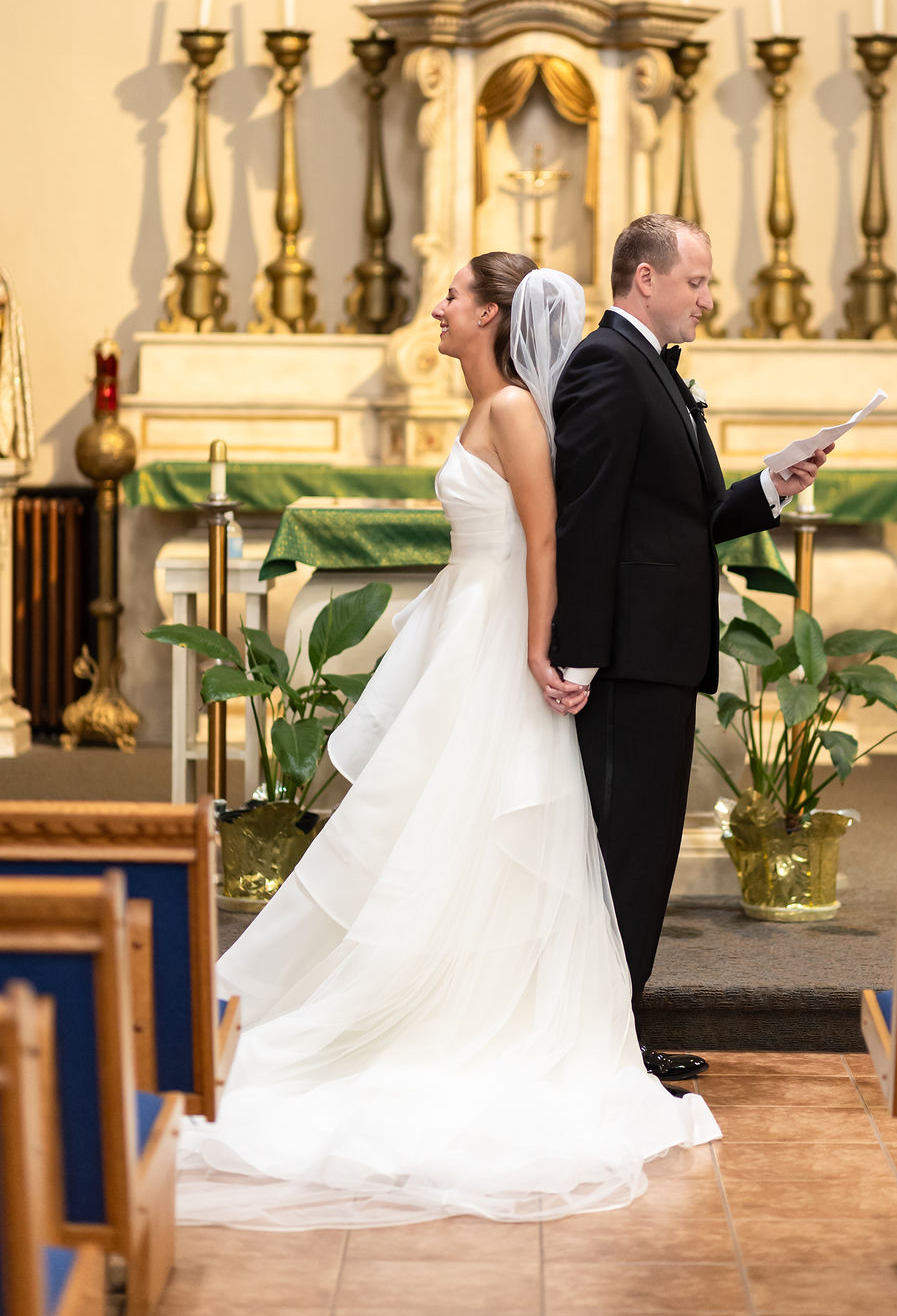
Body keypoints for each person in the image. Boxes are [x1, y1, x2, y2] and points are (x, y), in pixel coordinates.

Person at [175, 252, 719, 1231]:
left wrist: (541, 645)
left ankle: (470, 1016)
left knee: (474, 830)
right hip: (463, 633)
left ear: (492, 315)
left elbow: (546, 538)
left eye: (454, 297)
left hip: (497, 644)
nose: (438, 308)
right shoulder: (487, 407)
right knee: (421, 830)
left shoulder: (513, 409)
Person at [551, 215, 829, 1082]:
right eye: (697, 283)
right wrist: (581, 655)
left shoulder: (655, 371)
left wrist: (768, 487)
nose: (708, 299)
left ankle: (614, 1033)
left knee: (643, 854)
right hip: (629, 663)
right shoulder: (609, 365)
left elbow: (693, 513)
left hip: (658, 658)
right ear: (645, 279)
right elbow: (587, 518)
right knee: (626, 854)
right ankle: (604, 1047)